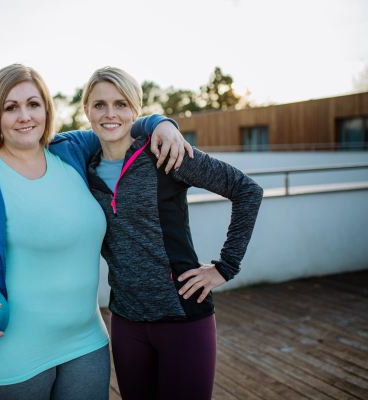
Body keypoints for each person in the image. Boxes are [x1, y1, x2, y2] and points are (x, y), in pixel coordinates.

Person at [0, 64, 193, 400]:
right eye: (10, 107)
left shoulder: (73, 151)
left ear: (47, 108)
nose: (24, 116)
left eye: (33, 104)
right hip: (9, 353)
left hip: (86, 343)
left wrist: (162, 123)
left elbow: (118, 124)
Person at [82, 66, 263, 400]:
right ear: (86, 111)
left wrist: (226, 266)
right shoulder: (85, 169)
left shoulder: (164, 153)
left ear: (135, 111)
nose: (110, 114)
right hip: (125, 321)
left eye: (121, 104)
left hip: (184, 317)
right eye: (100, 105)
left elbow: (246, 190)